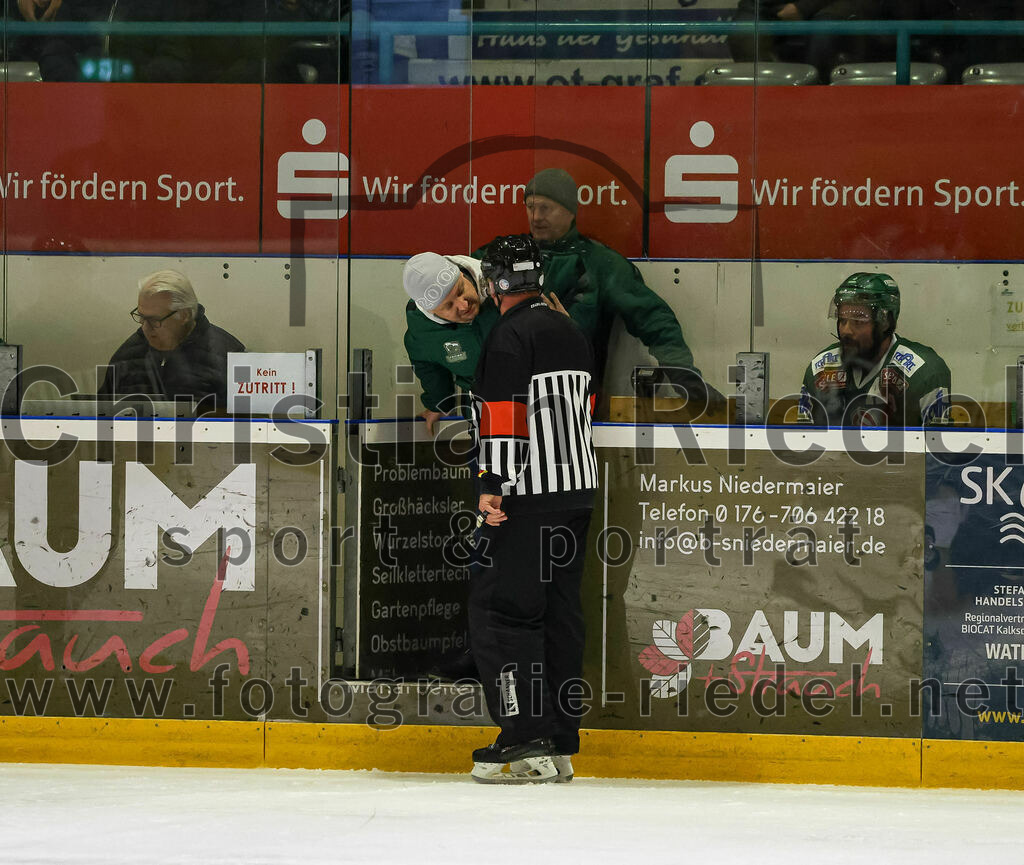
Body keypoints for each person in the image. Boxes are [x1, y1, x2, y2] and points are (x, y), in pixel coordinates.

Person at [468, 234, 598, 785]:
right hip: (576, 495)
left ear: (495, 282)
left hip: (528, 497)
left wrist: (491, 483)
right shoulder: (569, 329)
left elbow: (504, 418)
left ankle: (524, 741)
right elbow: (587, 408)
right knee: (558, 613)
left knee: (503, 615)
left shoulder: (509, 335)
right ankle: (560, 741)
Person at [799, 272, 951, 427]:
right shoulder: (820, 368)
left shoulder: (925, 372)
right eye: (843, 320)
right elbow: (802, 442)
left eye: (858, 321)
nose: (846, 331)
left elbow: (939, 446)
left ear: (885, 322)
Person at [99, 269, 244, 409]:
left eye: (154, 320)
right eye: (141, 317)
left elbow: (252, 427)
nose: (145, 328)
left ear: (184, 315)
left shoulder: (227, 357)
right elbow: (100, 415)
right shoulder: (129, 354)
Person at [402, 251, 498, 435]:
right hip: (482, 410)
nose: (463, 305)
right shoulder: (423, 333)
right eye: (448, 306)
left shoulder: (503, 283)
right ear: (431, 312)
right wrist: (439, 404)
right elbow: (428, 367)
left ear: (462, 273)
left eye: (461, 290)